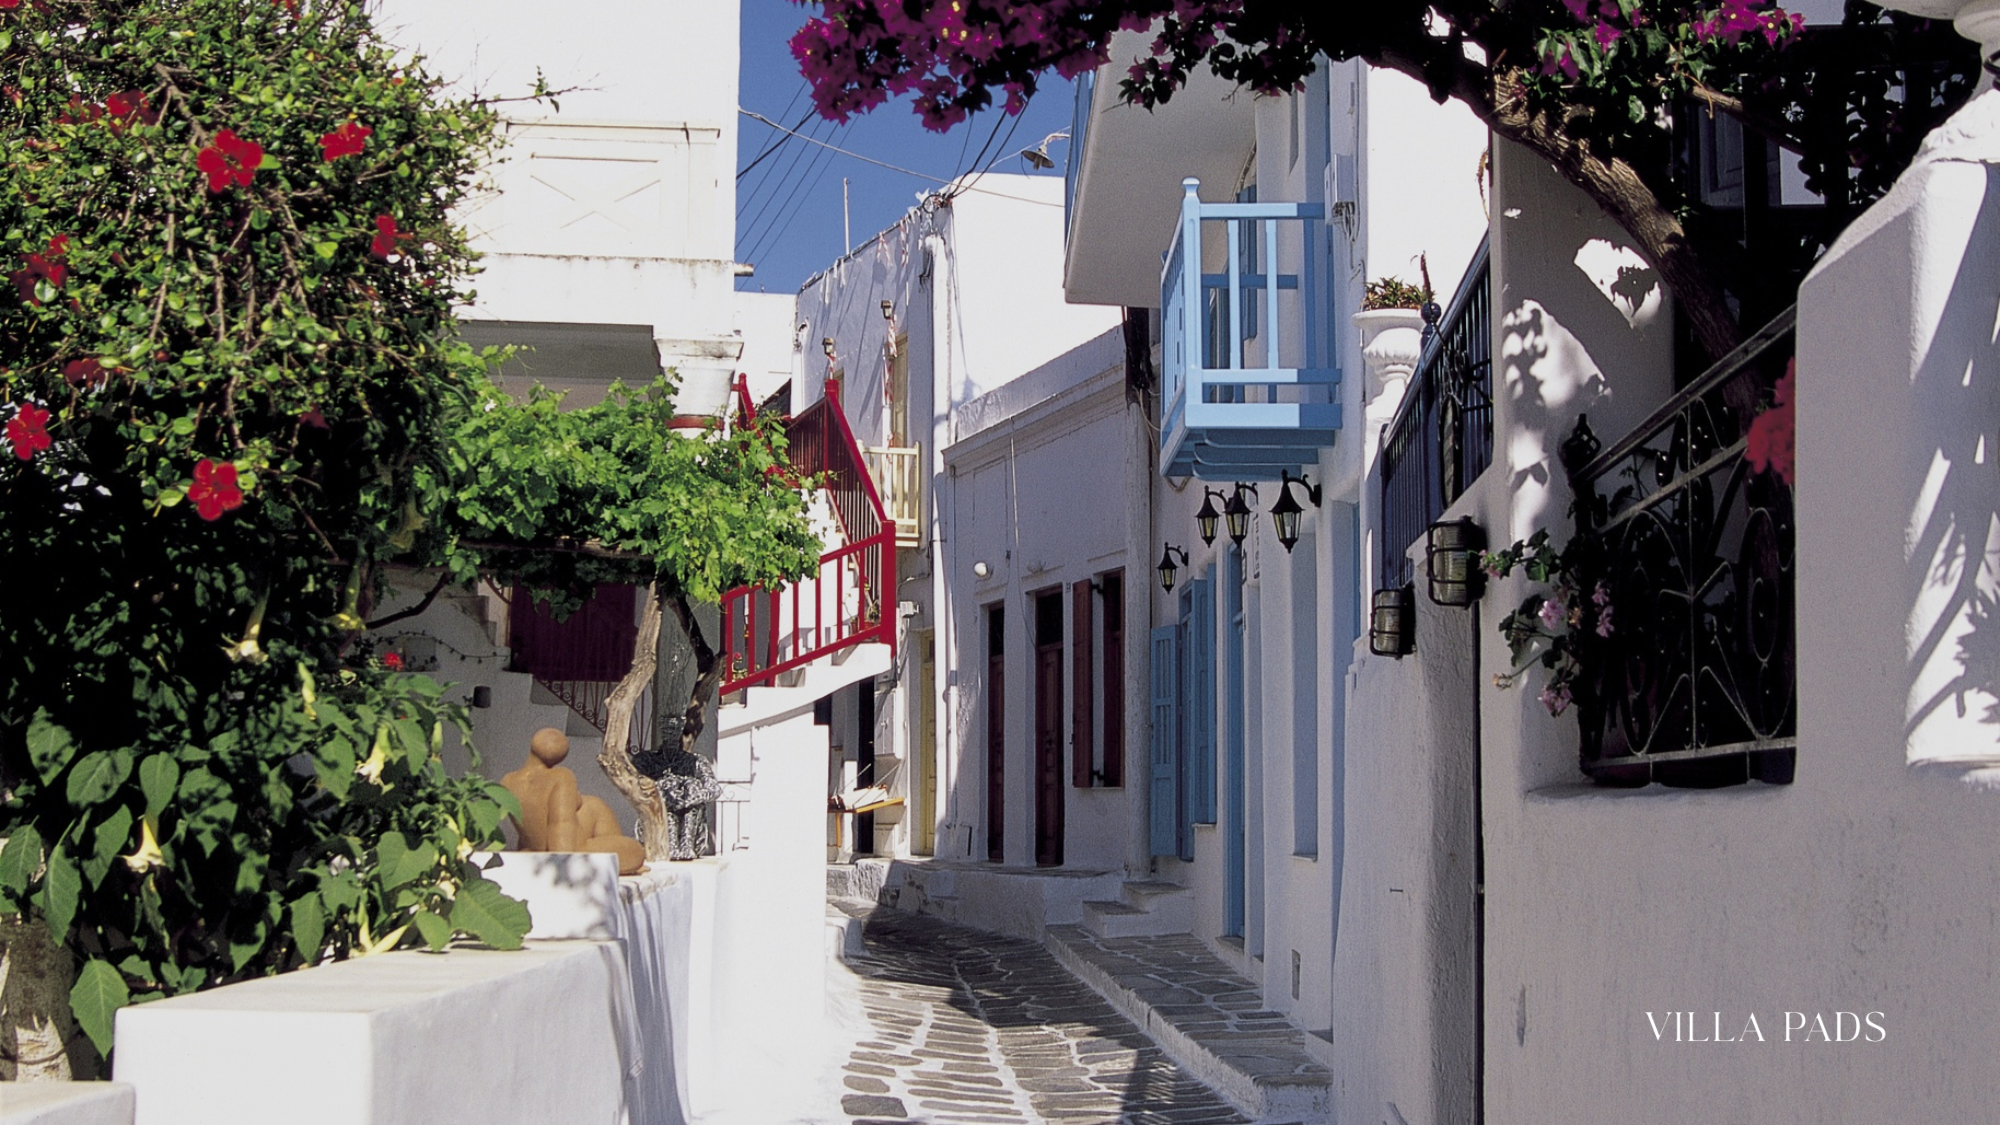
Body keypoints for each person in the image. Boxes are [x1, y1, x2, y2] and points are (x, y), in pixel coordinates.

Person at [500, 727, 647, 875]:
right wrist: (564, 861)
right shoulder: (561, 776)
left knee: (594, 806)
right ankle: (620, 863)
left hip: (535, 847)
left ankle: (614, 854)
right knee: (635, 851)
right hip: (567, 852)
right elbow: (561, 837)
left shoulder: (508, 780)